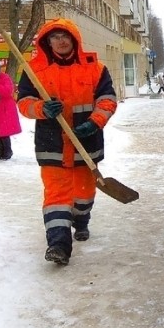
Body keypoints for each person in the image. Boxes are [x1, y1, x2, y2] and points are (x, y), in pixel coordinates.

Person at [17, 18, 117, 266]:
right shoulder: (34, 71)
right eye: (54, 37)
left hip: (87, 142)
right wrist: (41, 108)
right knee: (56, 195)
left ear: (74, 40)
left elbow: (107, 100)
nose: (60, 41)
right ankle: (59, 244)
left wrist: (94, 122)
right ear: (47, 43)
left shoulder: (95, 69)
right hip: (52, 143)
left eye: (65, 37)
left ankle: (81, 220)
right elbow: (23, 103)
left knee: (84, 194)